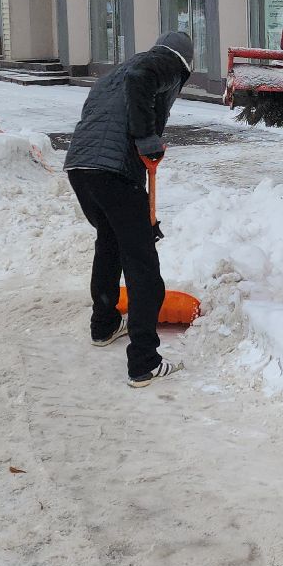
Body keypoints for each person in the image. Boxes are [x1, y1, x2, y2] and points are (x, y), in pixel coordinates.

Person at [65, 31, 195, 387]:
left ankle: (104, 324)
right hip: (114, 173)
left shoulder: (114, 74)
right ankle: (144, 362)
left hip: (81, 168)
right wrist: (146, 138)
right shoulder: (163, 62)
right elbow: (142, 78)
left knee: (109, 244)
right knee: (143, 267)